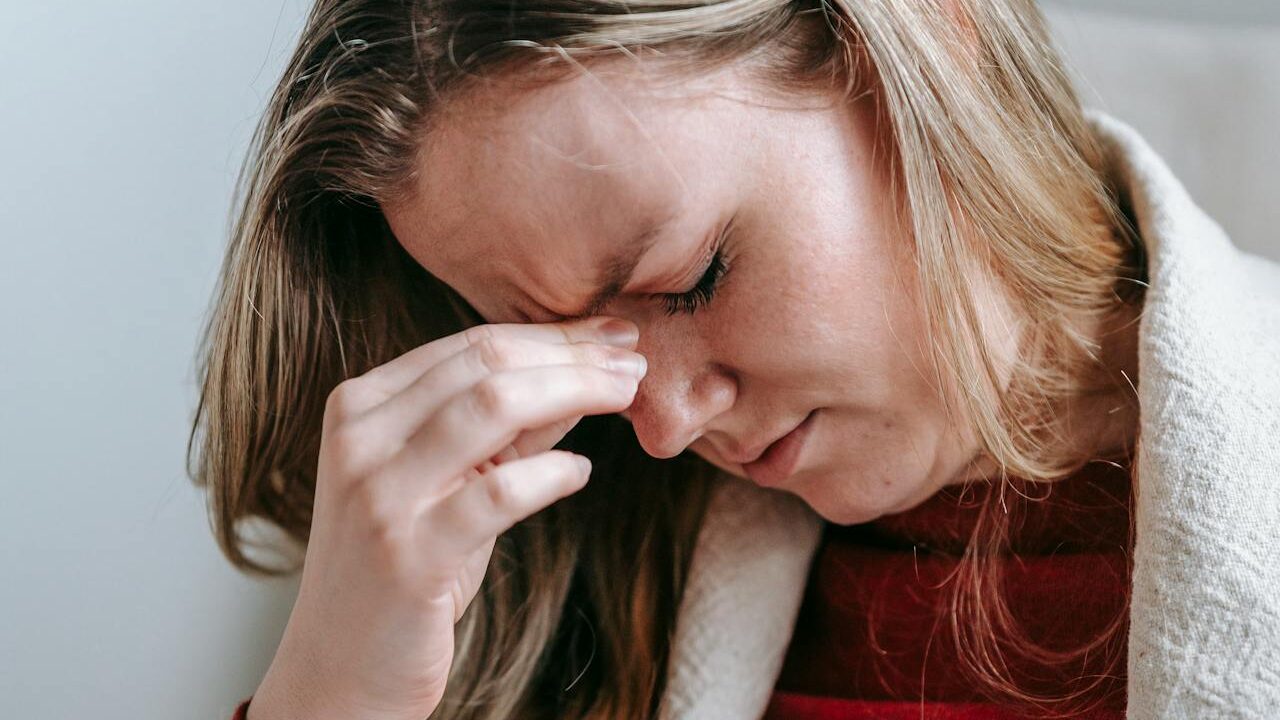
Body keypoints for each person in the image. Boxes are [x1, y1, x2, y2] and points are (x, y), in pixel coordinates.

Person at [188, 1, 1280, 719]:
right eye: (562, 352)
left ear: (926, 38)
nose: (661, 428)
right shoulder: (539, 581)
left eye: (691, 279)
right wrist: (328, 692)